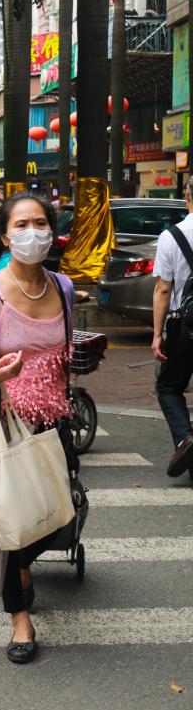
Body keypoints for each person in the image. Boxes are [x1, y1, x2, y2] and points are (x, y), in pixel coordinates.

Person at [0, 191, 76, 664]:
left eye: (41, 223)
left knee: (56, 514)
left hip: (53, 419)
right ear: (6, 236)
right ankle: (20, 619)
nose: (33, 232)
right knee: (6, 521)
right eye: (22, 224)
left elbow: (63, 351)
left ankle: (22, 564)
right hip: (1, 422)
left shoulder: (63, 288)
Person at [152, 176, 193, 481]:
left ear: (186, 196)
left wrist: (157, 335)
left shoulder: (172, 236)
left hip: (184, 326)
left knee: (168, 387)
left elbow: (163, 289)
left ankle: (184, 438)